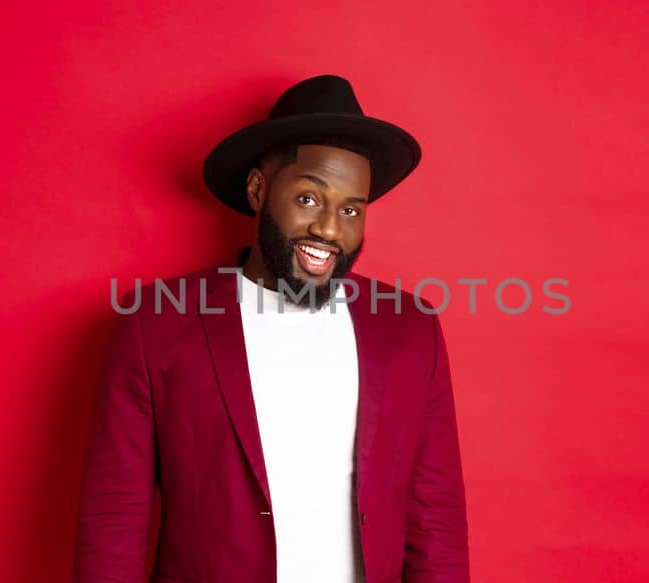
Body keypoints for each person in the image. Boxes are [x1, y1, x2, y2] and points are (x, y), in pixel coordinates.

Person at [75, 74, 469, 582]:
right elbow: (115, 518)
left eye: (351, 210)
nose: (329, 229)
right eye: (309, 198)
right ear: (260, 190)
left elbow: (435, 515)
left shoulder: (409, 329)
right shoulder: (156, 325)